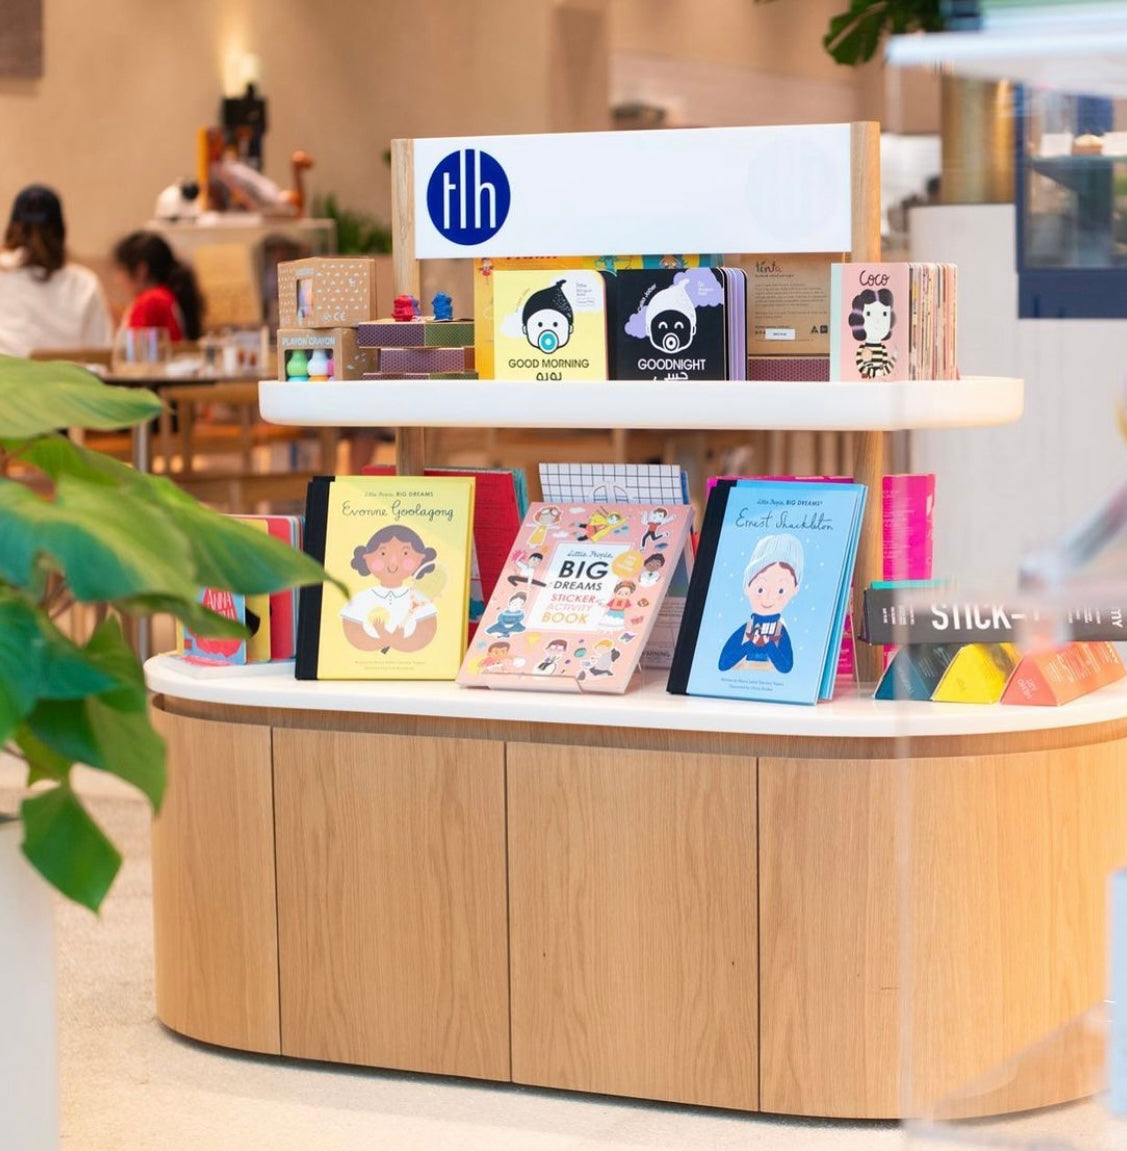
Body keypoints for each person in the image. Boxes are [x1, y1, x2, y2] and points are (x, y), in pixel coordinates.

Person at [0, 184, 113, 357]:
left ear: (11, 229)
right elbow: (101, 353)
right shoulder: (84, 283)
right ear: (60, 231)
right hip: (70, 374)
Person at [112, 231, 204, 342]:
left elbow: (134, 347)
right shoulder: (164, 296)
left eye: (121, 269)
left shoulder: (151, 300)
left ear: (141, 270)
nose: (118, 279)